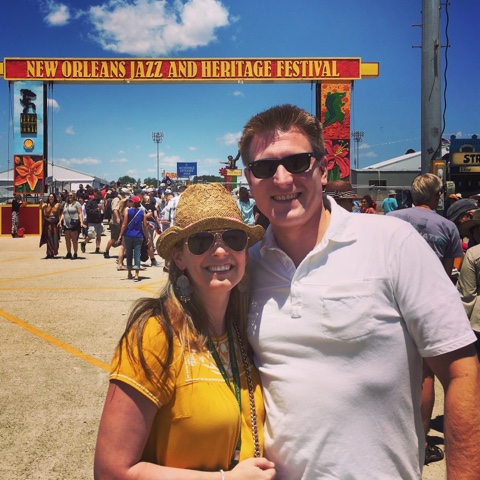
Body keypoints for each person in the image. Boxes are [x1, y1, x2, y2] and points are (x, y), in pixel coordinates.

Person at [238, 104, 480, 479]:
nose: (282, 179)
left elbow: (462, 371)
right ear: (250, 180)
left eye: (297, 162)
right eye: (264, 168)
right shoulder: (248, 266)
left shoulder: (392, 242)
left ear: (322, 168)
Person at [94, 183, 275, 480]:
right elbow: (111, 471)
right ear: (179, 257)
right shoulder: (156, 334)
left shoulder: (242, 329)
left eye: (234, 238)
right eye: (201, 241)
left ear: (245, 250)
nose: (221, 251)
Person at [387, 173, 464, 464]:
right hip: (426, 303)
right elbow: (446, 273)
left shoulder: (391, 219)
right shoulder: (447, 226)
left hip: (389, 300)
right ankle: (419, 441)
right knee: (425, 374)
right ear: (437, 195)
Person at [117, 195, 150, 281]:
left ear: (132, 203)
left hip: (128, 235)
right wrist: (147, 237)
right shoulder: (142, 212)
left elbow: (124, 224)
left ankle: (129, 273)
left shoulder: (127, 211)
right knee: (137, 254)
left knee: (129, 253)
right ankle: (136, 274)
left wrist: (120, 235)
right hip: (139, 235)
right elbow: (145, 226)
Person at [59, 191, 85, 259]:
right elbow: (63, 213)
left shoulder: (77, 204)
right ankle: (69, 253)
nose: (69, 197)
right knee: (67, 239)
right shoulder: (66, 204)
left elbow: (80, 213)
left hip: (74, 223)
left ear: (74, 196)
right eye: (68, 195)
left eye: (71, 195)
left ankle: (75, 253)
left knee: (74, 239)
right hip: (66, 224)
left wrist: (81, 222)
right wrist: (60, 221)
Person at [39, 193, 61, 259]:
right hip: (48, 222)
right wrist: (41, 202)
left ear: (54, 198)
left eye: (52, 197)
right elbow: (40, 208)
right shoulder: (46, 204)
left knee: (55, 237)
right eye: (50, 197)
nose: (51, 198)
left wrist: (60, 222)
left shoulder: (57, 204)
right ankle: (48, 253)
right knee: (48, 238)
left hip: (55, 223)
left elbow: (59, 214)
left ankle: (53, 252)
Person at [82, 189, 104, 254]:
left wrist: (103, 211)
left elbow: (103, 211)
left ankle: (97, 248)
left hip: (99, 220)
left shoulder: (101, 202)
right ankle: (84, 243)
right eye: (97, 194)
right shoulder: (90, 202)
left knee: (99, 235)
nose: (98, 195)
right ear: (94, 194)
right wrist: (96, 210)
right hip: (92, 221)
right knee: (91, 235)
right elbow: (88, 211)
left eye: (99, 194)